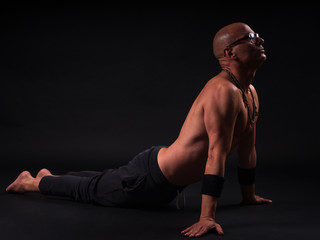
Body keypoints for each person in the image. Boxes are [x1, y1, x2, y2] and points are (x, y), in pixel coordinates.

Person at [6, 22, 272, 238]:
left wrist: (248, 196)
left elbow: (248, 149)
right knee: (89, 191)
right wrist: (207, 218)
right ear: (230, 53)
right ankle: (30, 183)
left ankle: (49, 176)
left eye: (257, 35)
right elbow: (216, 154)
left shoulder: (248, 92)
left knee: (102, 182)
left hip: (162, 183)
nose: (259, 40)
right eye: (250, 37)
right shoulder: (222, 90)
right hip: (149, 180)